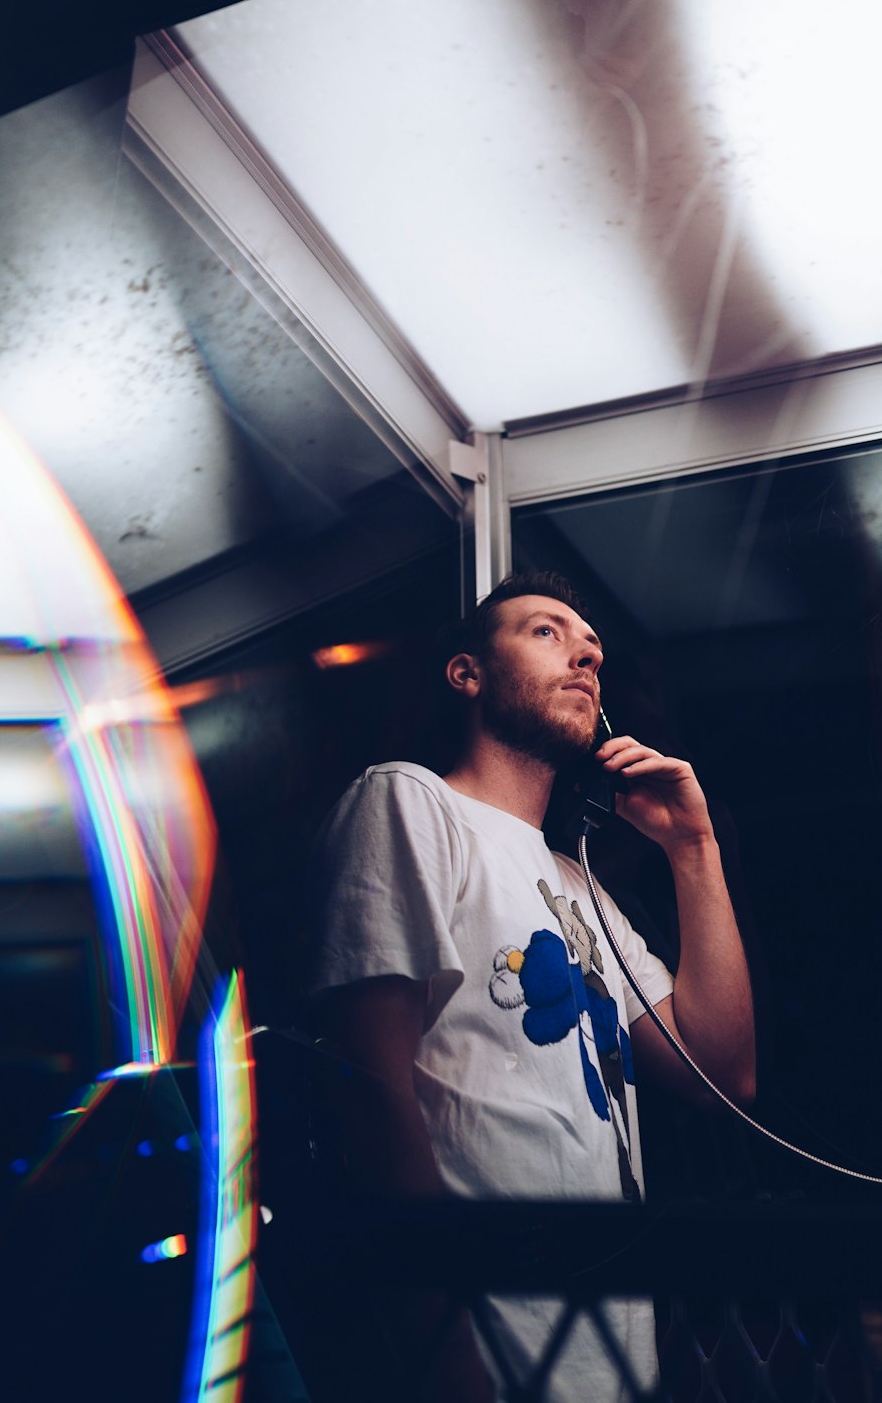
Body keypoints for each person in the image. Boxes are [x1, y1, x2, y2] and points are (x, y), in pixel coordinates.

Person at [307, 570, 755, 1403]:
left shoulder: (579, 887)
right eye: (547, 632)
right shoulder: (409, 802)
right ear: (467, 673)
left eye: (592, 650)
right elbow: (368, 1092)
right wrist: (447, 1359)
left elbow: (722, 1072)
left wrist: (694, 850)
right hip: (487, 1353)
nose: (585, 656)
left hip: (613, 1359)